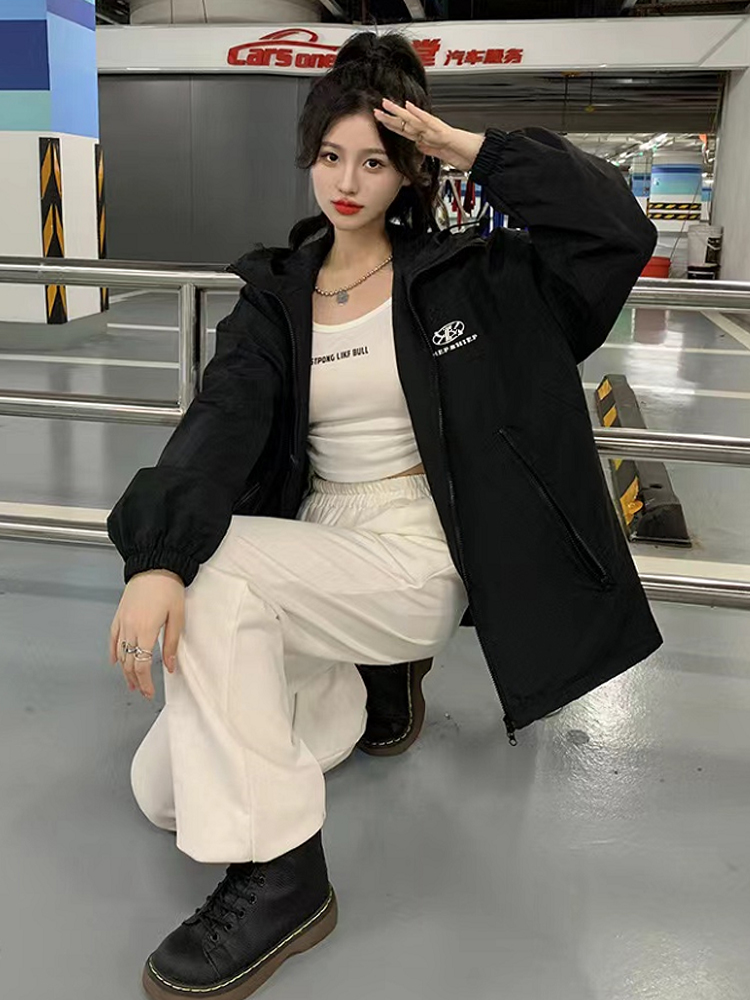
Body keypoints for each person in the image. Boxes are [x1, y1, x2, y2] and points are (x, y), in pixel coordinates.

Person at [106, 29, 663, 1000]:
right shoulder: (278, 295)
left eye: (374, 160)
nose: (346, 182)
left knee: (218, 570)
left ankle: (286, 877)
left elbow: (616, 231)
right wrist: (154, 554)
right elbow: (220, 419)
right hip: (316, 548)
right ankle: (354, 696)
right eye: (330, 156)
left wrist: (469, 148)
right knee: (161, 795)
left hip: (414, 549)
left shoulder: (470, 275)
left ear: (408, 168)